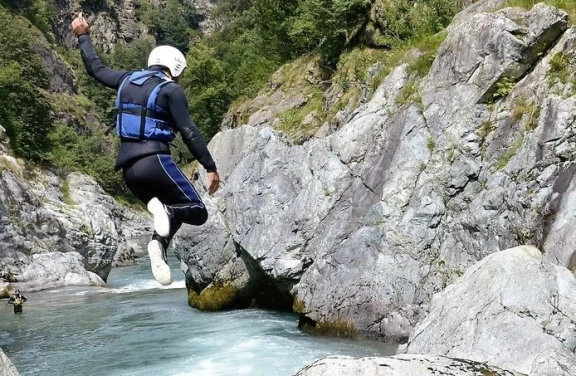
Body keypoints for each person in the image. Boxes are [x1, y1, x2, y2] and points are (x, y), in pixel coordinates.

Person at [71, 13, 220, 286]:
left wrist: (83, 36)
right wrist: (210, 166)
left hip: (128, 170)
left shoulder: (126, 79)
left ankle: (158, 245)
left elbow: (96, 69)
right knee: (196, 210)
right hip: (156, 161)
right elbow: (189, 131)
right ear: (175, 68)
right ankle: (165, 215)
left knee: (168, 209)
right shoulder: (171, 91)